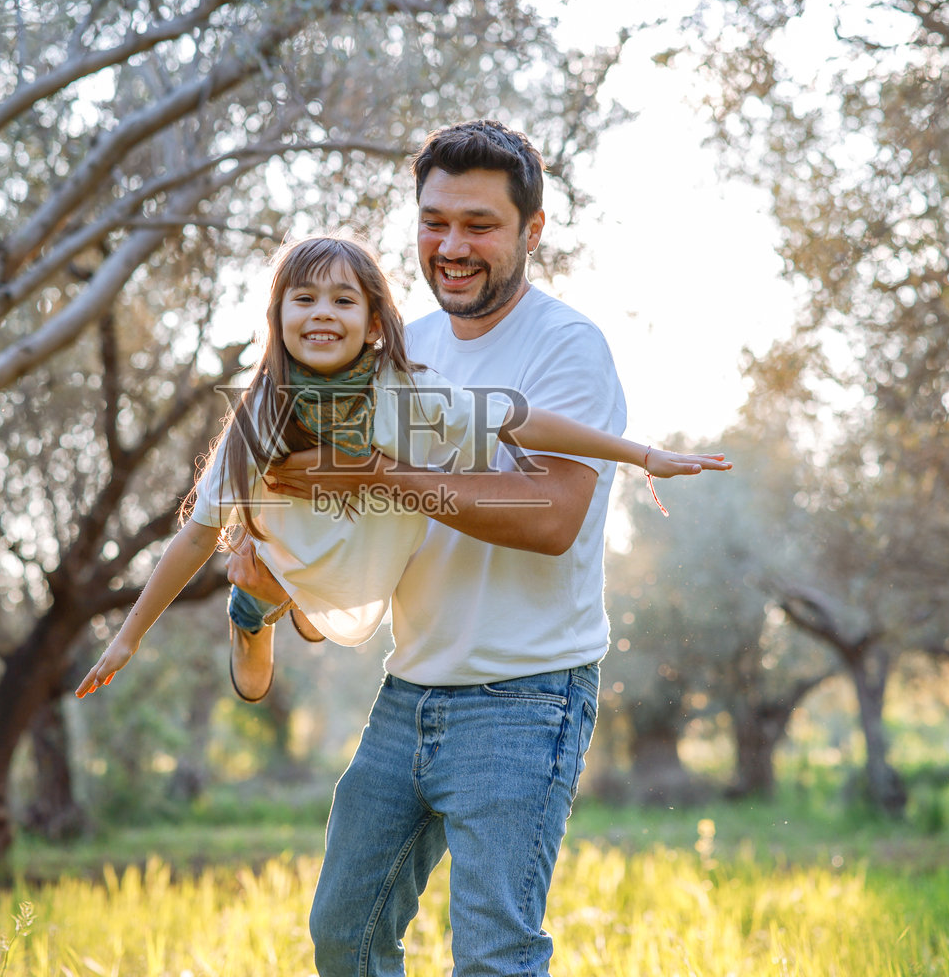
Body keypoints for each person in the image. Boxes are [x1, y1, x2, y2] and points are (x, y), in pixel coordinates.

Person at [226, 120, 727, 977]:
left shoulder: (567, 346)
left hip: (525, 698)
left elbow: (552, 516)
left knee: (496, 964)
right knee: (345, 935)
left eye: (479, 225)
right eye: (435, 222)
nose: (452, 246)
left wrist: (383, 473)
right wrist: (277, 571)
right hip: (408, 689)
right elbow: (345, 512)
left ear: (532, 230)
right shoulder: (400, 347)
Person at [74, 233, 727, 706]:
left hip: (362, 560)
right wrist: (129, 637)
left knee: (340, 589)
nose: (322, 311)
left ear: (372, 324)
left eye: (343, 300)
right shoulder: (263, 410)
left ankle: (305, 606)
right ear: (278, 319)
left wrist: (639, 454)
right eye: (303, 298)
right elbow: (197, 534)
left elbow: (519, 420)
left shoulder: (408, 389)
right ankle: (253, 614)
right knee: (261, 573)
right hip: (287, 556)